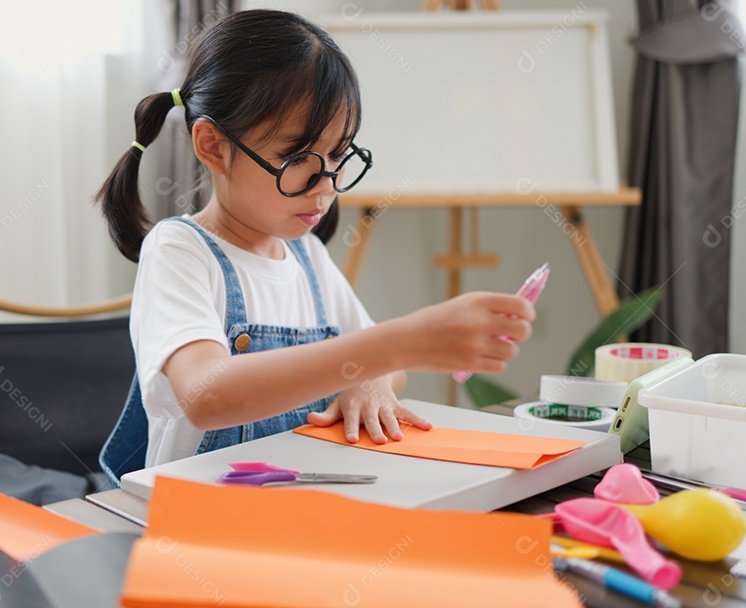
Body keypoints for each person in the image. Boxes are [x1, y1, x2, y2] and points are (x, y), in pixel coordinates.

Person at [96, 9, 533, 487]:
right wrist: (401, 341)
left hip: (299, 510)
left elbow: (390, 372)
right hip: (197, 527)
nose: (325, 185)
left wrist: (367, 381)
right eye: (296, 157)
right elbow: (207, 395)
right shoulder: (180, 252)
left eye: (339, 155)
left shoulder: (307, 257)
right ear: (214, 147)